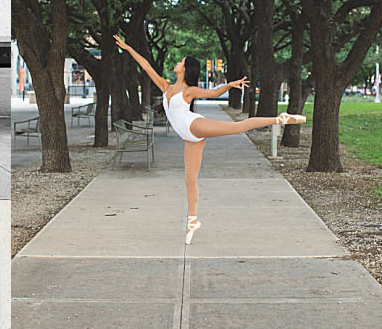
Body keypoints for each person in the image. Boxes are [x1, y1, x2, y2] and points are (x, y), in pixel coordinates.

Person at [113, 37, 305, 243]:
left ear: (186, 69)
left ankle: (280, 118)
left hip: (193, 126)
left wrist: (229, 85)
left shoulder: (189, 91)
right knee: (189, 179)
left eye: (181, 62)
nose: (177, 63)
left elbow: (213, 92)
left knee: (236, 127)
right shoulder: (166, 87)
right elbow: (146, 66)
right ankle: (193, 220)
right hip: (187, 136)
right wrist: (128, 48)